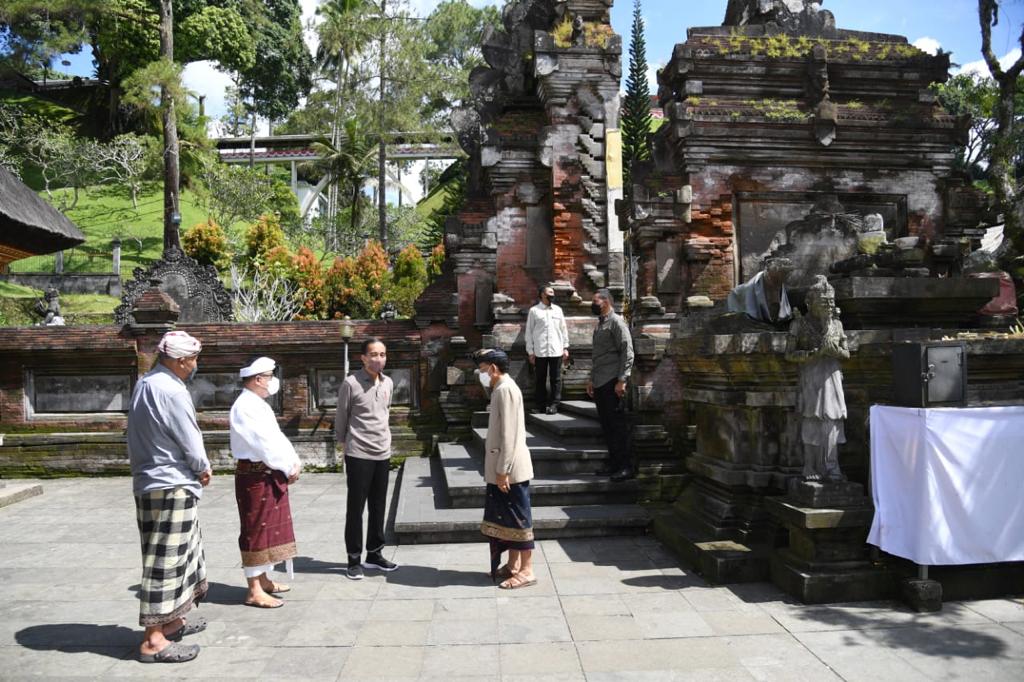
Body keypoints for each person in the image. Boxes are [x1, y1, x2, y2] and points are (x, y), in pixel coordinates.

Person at [127, 330, 211, 664]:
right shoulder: (173, 391)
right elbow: (190, 438)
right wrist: (202, 467)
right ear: (179, 361)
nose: (195, 365)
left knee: (176, 553)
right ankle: (154, 640)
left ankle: (172, 621)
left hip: (149, 480)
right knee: (166, 561)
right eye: (192, 359)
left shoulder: (145, 383)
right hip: (171, 481)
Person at [229, 356, 301, 609]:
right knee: (255, 530)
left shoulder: (257, 404)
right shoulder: (244, 407)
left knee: (269, 528)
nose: (273, 381)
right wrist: (285, 465)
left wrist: (292, 461)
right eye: (269, 376)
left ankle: (263, 578)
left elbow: (276, 437)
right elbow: (263, 443)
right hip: (256, 474)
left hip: (269, 472)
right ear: (258, 379)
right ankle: (254, 589)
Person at [335, 337, 398, 580]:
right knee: (356, 508)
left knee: (378, 505)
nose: (378, 359)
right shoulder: (351, 384)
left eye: (382, 354)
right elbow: (342, 415)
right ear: (363, 357)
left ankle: (375, 553)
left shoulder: (388, 383)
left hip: (382, 452)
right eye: (373, 354)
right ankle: (353, 558)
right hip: (358, 453)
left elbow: (385, 413)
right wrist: (343, 444)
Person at [474, 348, 536, 589]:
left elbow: (509, 435)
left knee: (519, 519)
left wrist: (503, 470)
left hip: (511, 470)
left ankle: (528, 569)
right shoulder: (499, 389)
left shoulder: (506, 389)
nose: (482, 375)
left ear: (493, 368)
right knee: (506, 519)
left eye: (482, 370)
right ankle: (513, 565)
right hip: (503, 467)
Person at [785, 275, 849, 482]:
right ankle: (810, 465)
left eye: (831, 302)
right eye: (824, 302)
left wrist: (835, 351)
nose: (830, 306)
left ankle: (832, 465)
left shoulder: (837, 325)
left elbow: (846, 353)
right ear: (810, 303)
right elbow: (789, 354)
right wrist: (812, 354)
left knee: (832, 421)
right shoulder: (799, 325)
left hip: (832, 375)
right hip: (811, 376)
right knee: (812, 420)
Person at [586, 288, 635, 482]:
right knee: (606, 426)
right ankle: (614, 463)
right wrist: (591, 378)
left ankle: (625, 466)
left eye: (595, 301)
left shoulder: (617, 322)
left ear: (606, 302)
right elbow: (598, 355)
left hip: (612, 381)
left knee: (616, 426)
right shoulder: (600, 324)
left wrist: (622, 379)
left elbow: (627, 350)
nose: (593, 304)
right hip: (600, 380)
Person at [525, 284, 570, 414]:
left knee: (556, 378)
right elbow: (529, 332)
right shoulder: (534, 311)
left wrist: (565, 347)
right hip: (540, 350)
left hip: (556, 349)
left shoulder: (558, 310)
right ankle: (540, 405)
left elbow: (563, 329)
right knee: (540, 378)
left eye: (553, 293)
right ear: (542, 295)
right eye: (550, 292)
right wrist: (530, 351)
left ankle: (554, 404)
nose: (552, 295)